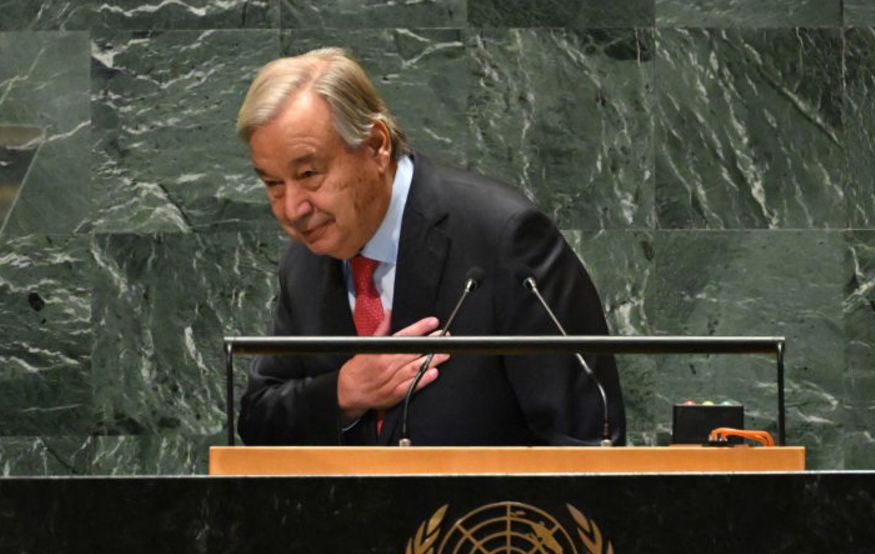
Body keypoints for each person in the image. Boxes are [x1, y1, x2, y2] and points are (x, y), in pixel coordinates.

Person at [235, 47, 624, 446]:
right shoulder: (305, 261)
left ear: (376, 146)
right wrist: (342, 394)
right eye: (273, 184)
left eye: (309, 173)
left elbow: (586, 437)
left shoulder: (504, 238)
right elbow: (260, 418)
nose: (293, 209)